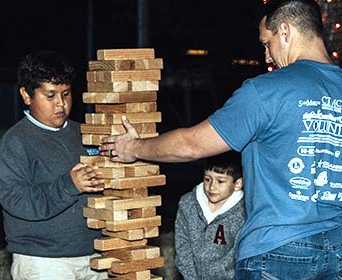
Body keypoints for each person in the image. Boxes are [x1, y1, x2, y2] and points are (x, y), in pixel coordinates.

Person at [100, 0, 342, 278]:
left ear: (285, 31)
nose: (267, 57)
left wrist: (133, 147)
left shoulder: (266, 90)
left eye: (267, 43)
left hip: (278, 248)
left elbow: (193, 144)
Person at [0, 50, 107, 280]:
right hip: (44, 262)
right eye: (50, 95)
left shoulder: (85, 134)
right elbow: (17, 200)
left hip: (95, 256)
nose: (61, 104)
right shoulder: (15, 143)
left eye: (66, 94)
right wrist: (69, 185)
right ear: (26, 95)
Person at [175, 152, 245, 280]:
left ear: (237, 184)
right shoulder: (188, 204)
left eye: (220, 181)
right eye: (207, 179)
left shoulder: (243, 213)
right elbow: (182, 246)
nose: (212, 186)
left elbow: (238, 257)